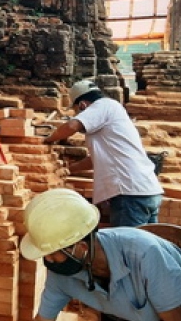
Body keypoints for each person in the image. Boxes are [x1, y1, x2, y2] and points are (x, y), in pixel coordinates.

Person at [21, 188, 181, 321]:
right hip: (143, 317)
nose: (48, 260)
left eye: (53, 252)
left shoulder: (143, 253)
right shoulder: (61, 272)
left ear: (81, 248)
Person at [42, 79, 163, 226]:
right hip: (146, 190)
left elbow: (71, 126)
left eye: (76, 110)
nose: (77, 114)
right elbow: (95, 159)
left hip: (129, 193)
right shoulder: (111, 114)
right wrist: (68, 169)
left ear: (82, 105)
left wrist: (48, 139)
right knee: (146, 240)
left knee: (128, 240)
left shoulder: (104, 105)